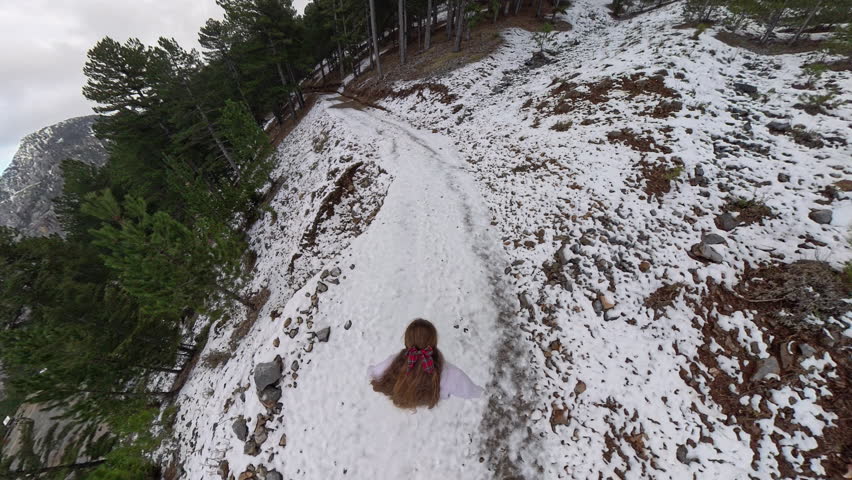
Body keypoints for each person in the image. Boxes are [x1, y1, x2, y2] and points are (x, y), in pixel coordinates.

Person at [368, 318, 483, 409]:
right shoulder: (449, 372)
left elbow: (373, 373)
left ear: (407, 340)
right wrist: (481, 392)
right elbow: (470, 391)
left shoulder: (392, 362)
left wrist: (370, 369)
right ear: (434, 341)